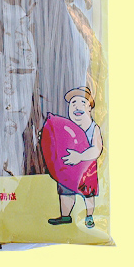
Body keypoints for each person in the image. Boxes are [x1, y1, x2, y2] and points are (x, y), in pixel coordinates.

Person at [47, 86, 103, 228]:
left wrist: (81, 156)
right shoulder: (66, 127)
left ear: (90, 108)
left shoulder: (93, 128)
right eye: (73, 103)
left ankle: (89, 216)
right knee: (65, 191)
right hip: (68, 168)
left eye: (82, 102)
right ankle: (65, 216)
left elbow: (97, 149)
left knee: (88, 193)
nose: (77, 106)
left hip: (87, 170)